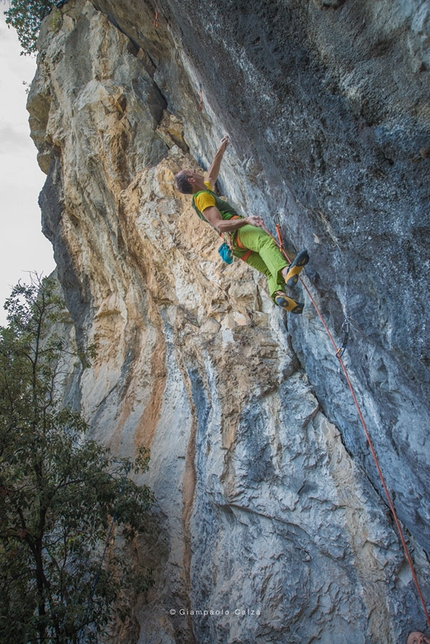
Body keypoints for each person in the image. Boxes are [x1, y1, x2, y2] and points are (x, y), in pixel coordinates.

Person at [174, 135, 309, 314]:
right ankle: (286, 273)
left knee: (269, 271)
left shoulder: (203, 191)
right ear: (191, 180)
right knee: (265, 242)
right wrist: (246, 220)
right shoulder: (202, 197)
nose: (195, 170)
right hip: (237, 233)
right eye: (191, 171)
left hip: (235, 246)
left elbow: (212, 175)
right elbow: (219, 224)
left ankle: (277, 294)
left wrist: (220, 151)